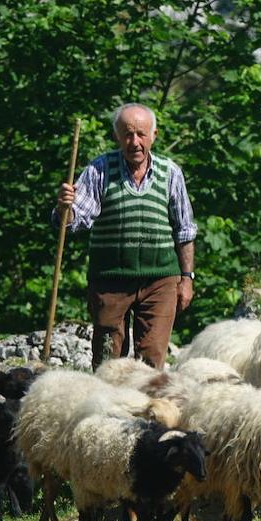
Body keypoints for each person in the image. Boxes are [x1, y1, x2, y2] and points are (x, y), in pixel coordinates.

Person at [53, 103, 196, 369]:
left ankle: (143, 409)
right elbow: (75, 221)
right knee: (109, 359)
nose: (135, 142)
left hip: (160, 280)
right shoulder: (100, 169)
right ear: (117, 137)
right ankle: (106, 407)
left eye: (141, 134)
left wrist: (187, 278)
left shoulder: (170, 172)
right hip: (111, 280)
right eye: (127, 135)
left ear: (154, 135)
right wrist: (65, 208)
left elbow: (184, 230)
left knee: (152, 358)